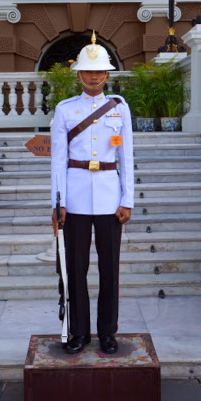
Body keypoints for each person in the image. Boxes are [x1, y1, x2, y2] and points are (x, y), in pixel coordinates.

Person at [51, 32, 134, 355]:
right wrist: (58, 202)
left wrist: (127, 199)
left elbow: (126, 156)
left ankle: (107, 332)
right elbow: (58, 161)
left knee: (109, 269)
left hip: (110, 197)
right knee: (75, 268)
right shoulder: (65, 109)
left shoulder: (119, 108)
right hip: (75, 198)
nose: (94, 76)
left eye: (100, 71)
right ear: (79, 75)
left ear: (108, 75)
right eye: (88, 71)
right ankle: (79, 332)